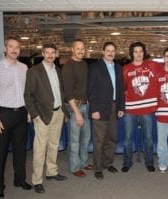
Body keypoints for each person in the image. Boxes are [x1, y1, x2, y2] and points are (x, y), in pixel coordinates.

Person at [0, 37, 32, 199]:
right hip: (3, 116)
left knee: (21, 151)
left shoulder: (24, 68)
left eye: (17, 47)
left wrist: (27, 112)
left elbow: (26, 93)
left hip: (21, 114)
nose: (14, 50)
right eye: (11, 46)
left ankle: (20, 180)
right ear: (5, 48)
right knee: (1, 153)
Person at [24, 43, 67, 194]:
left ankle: (52, 172)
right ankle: (37, 180)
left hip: (58, 113)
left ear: (56, 54)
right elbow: (28, 95)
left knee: (54, 145)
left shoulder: (58, 71)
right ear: (43, 53)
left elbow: (61, 92)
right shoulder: (34, 71)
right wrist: (35, 115)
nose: (50, 55)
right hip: (42, 115)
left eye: (52, 53)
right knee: (40, 149)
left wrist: (64, 111)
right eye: (47, 53)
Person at [87, 41, 125, 180]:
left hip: (115, 107)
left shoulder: (118, 68)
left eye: (113, 51)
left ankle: (107, 163)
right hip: (100, 109)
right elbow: (90, 90)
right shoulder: (95, 67)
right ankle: (97, 167)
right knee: (99, 140)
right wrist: (94, 109)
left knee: (111, 138)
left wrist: (121, 107)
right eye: (108, 50)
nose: (110, 53)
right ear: (103, 52)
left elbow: (120, 89)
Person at [122, 41, 158, 173]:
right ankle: (127, 162)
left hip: (147, 110)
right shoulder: (126, 69)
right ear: (132, 53)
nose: (138, 54)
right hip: (130, 110)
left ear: (144, 53)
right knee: (127, 139)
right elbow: (122, 89)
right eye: (135, 52)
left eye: (140, 51)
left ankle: (149, 161)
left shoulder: (152, 65)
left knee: (148, 138)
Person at [62, 39, 92, 177]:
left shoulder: (84, 64)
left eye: (82, 48)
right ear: (72, 50)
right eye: (78, 48)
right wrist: (76, 112)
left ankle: (84, 162)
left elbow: (84, 87)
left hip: (85, 105)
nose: (81, 51)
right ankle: (75, 167)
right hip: (75, 107)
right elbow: (68, 93)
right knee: (74, 140)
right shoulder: (68, 66)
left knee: (86, 138)